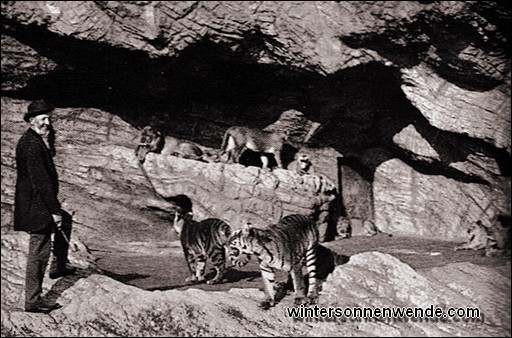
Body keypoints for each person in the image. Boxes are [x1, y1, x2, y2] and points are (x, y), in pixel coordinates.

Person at [14, 99, 76, 314]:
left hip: (36, 202)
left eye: (49, 118)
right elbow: (41, 182)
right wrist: (53, 211)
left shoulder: (36, 140)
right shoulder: (31, 145)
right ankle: (32, 301)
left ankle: (59, 266)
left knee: (65, 220)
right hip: (36, 205)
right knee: (39, 251)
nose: (47, 122)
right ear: (31, 121)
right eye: (43, 118)